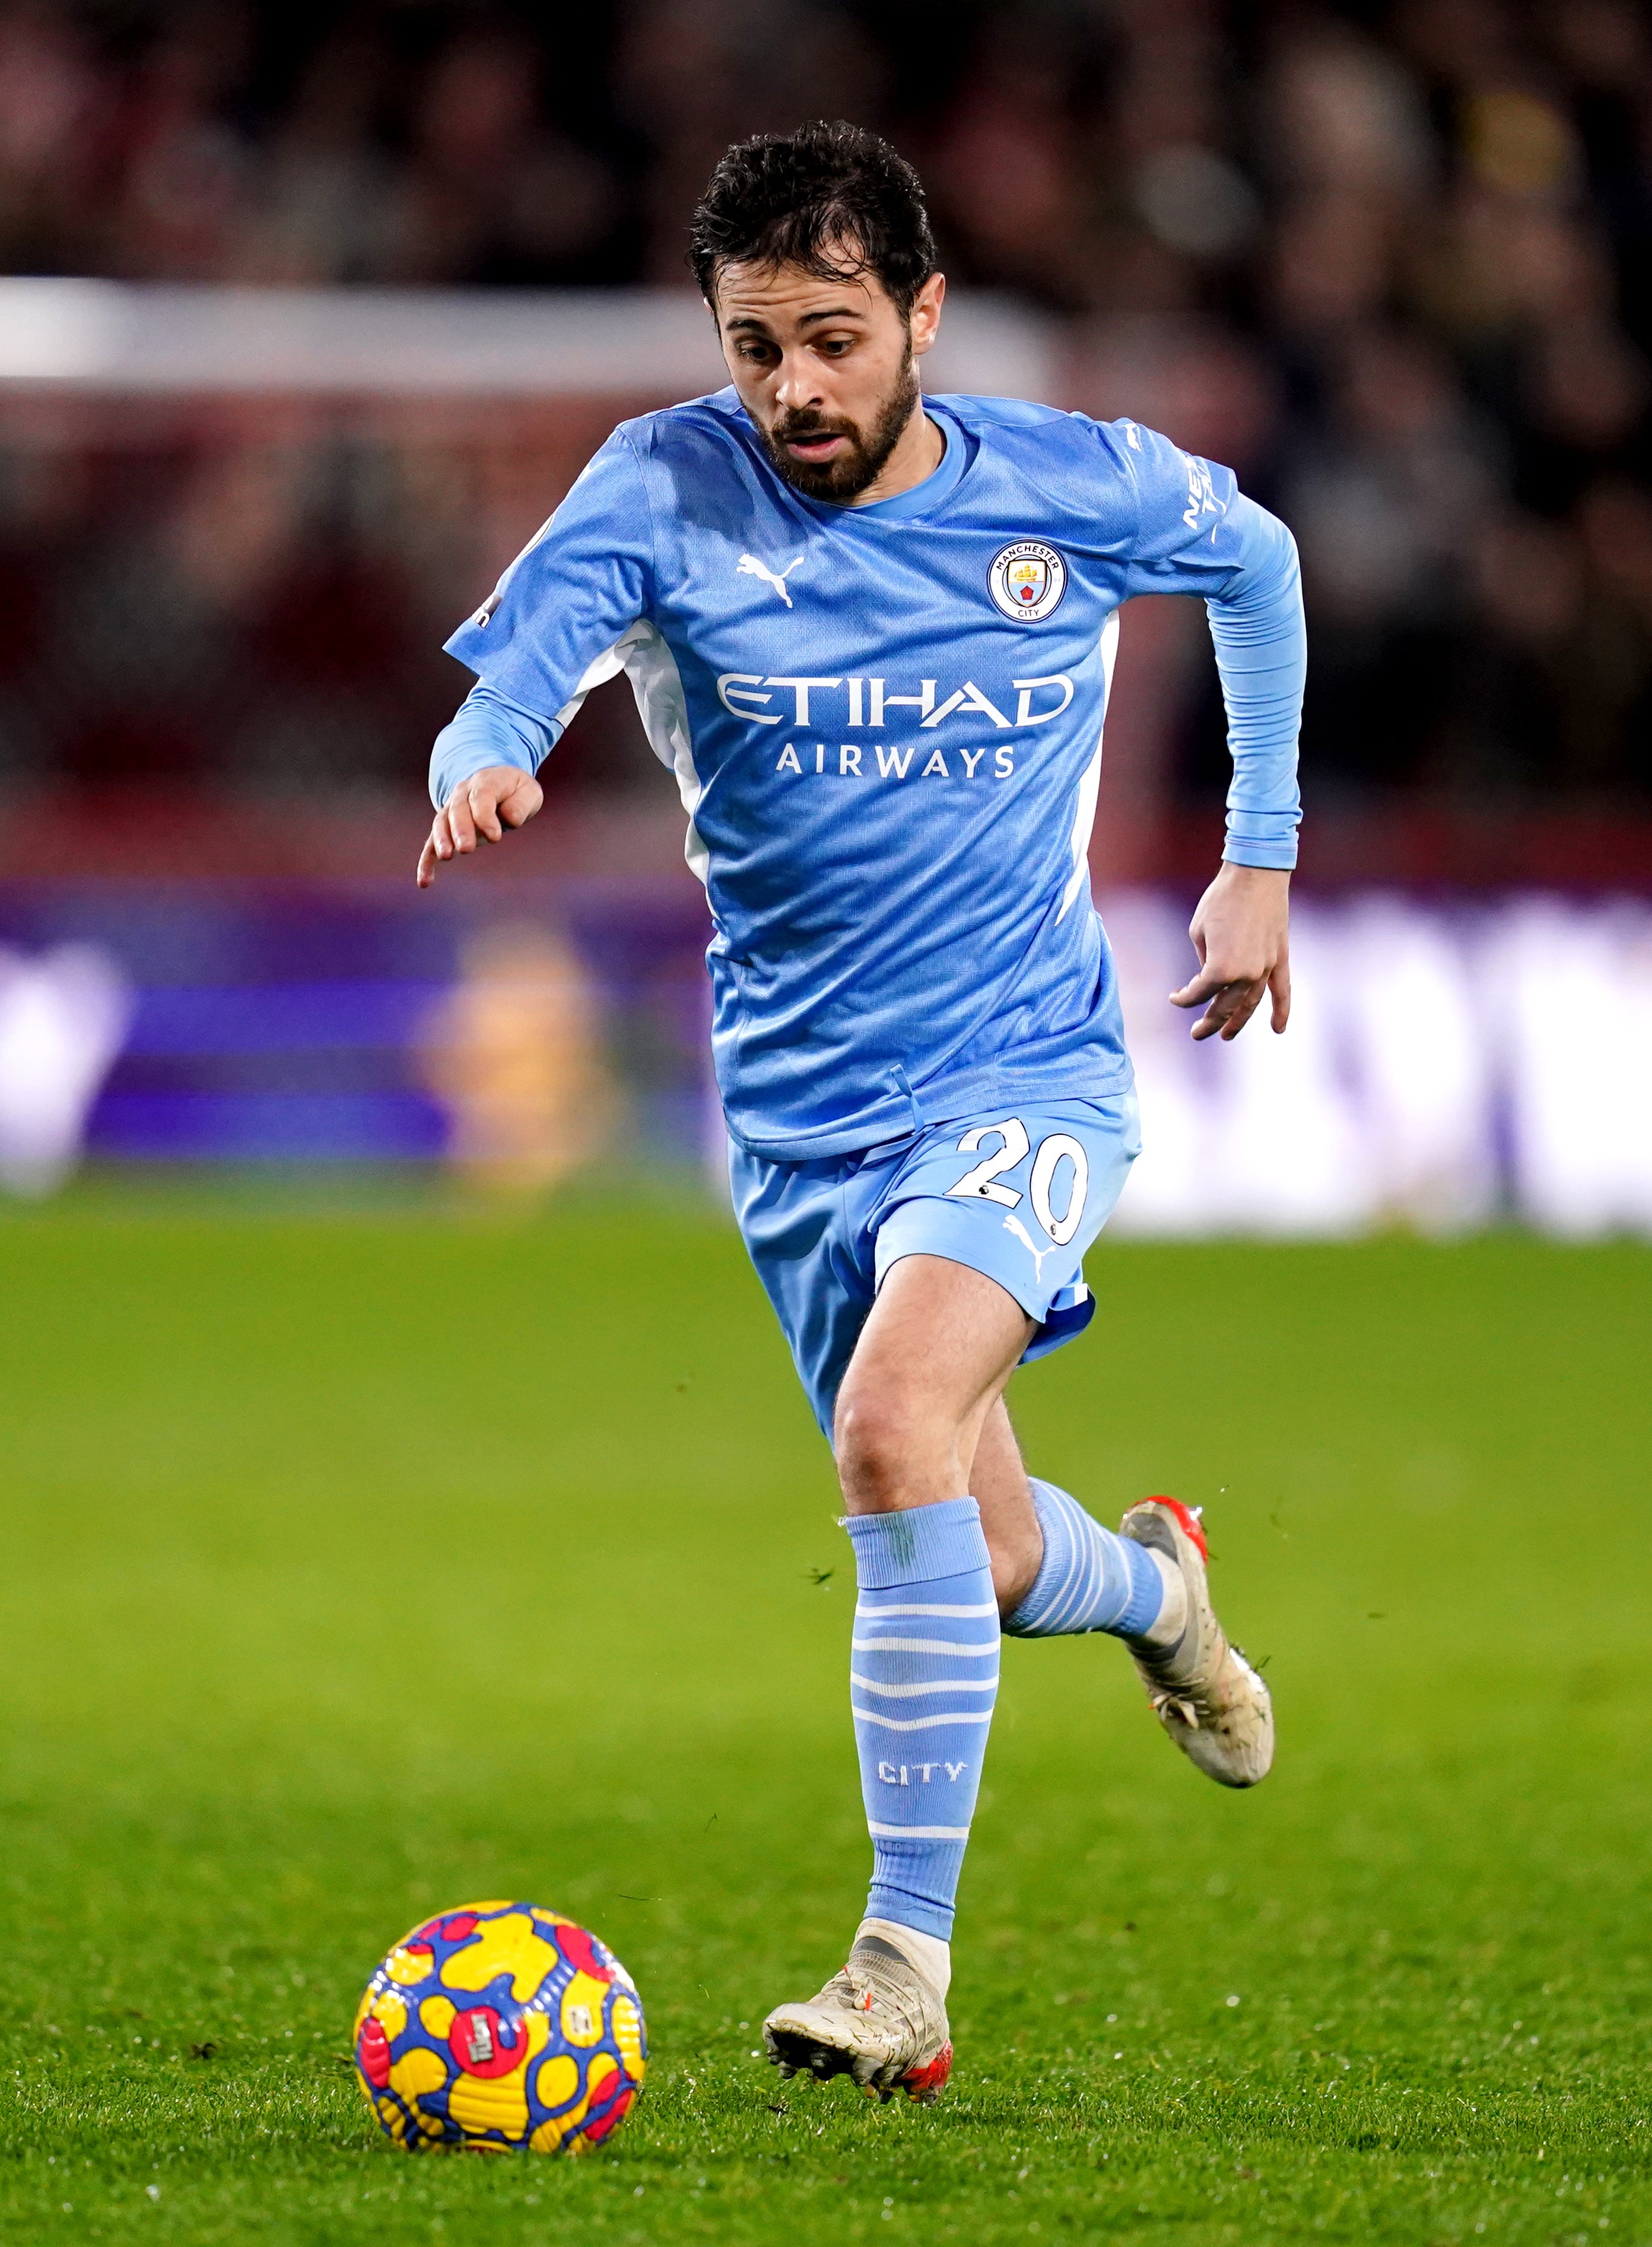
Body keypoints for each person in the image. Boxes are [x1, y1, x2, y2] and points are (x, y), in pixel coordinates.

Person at [417, 120, 1302, 2107]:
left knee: (892, 1423)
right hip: (801, 1123)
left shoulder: (1062, 482)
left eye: (830, 338)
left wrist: (1260, 852)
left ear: (920, 315)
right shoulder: (661, 484)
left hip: (1026, 1071)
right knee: (972, 1553)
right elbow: (523, 666)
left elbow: (1257, 556)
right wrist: (484, 756)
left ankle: (904, 1964)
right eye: (755, 349)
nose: (793, 390)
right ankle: (1157, 1585)